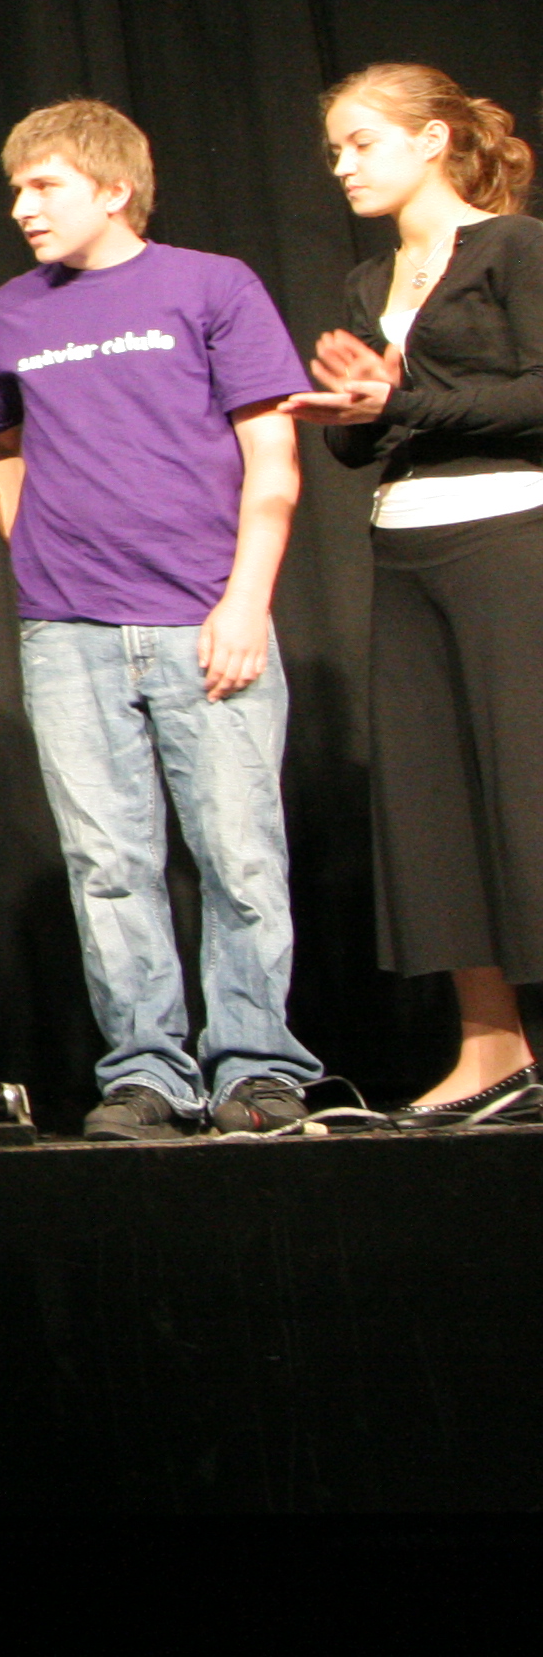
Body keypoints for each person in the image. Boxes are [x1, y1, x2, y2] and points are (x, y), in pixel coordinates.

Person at [0, 100, 321, 1141]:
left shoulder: (212, 284)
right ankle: (148, 1072)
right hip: (68, 629)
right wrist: (33, 540)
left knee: (239, 856)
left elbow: (273, 456)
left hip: (204, 615)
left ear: (114, 188)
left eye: (45, 186)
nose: (23, 207)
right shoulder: (7, 314)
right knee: (109, 867)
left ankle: (258, 1068)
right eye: (17, 188)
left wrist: (246, 599)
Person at [292, 62, 543, 1127]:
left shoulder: (514, 248)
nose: (343, 166)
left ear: (432, 139)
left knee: (526, 788)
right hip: (406, 552)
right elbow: (368, 444)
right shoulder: (370, 280)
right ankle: (492, 1049)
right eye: (335, 150)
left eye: (362, 143)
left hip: (511, 540)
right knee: (435, 804)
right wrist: (354, 410)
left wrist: (403, 398)